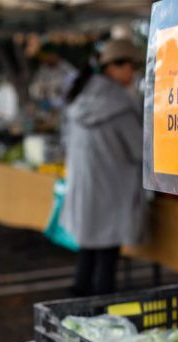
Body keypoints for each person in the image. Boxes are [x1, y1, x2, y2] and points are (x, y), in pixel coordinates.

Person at [61, 39, 146, 296]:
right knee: (106, 261)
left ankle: (78, 308)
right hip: (112, 191)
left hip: (85, 188)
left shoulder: (82, 96)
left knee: (88, 253)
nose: (132, 74)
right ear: (114, 67)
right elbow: (140, 150)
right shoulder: (119, 103)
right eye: (130, 67)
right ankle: (100, 315)